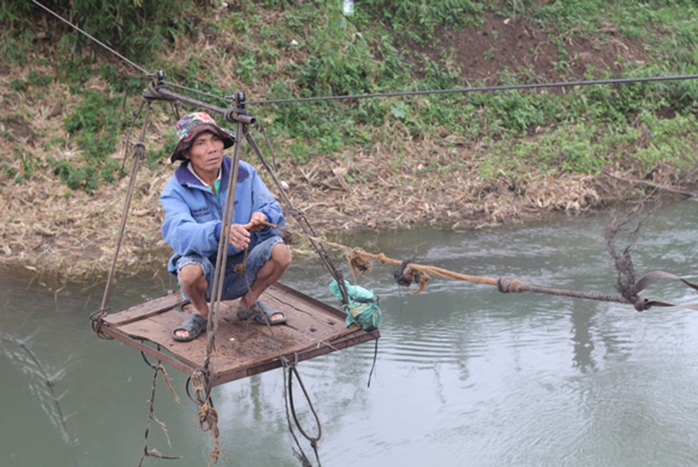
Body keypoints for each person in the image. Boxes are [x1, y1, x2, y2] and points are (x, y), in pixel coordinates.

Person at [160, 112, 292, 342]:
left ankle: (249, 303)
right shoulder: (176, 190)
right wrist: (220, 231)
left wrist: (264, 218)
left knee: (282, 252)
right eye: (200, 143)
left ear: (223, 143)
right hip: (206, 274)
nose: (211, 149)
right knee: (189, 271)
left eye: (215, 140)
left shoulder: (244, 173)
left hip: (244, 265)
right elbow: (179, 233)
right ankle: (201, 312)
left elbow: (273, 209)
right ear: (188, 153)